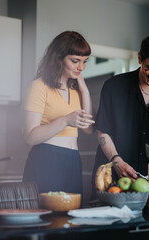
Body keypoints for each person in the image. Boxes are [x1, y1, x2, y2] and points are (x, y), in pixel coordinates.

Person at [92, 33, 149, 196]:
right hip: (113, 181)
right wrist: (117, 162)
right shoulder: (114, 87)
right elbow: (103, 131)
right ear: (140, 58)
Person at [23, 31, 95, 195]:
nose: (81, 67)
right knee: (46, 217)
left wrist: (84, 89)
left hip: (73, 159)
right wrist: (65, 120)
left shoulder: (76, 89)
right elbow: (29, 137)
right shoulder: (39, 86)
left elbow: (89, 129)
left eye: (84, 62)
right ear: (59, 59)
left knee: (71, 218)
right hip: (46, 159)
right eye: (75, 61)